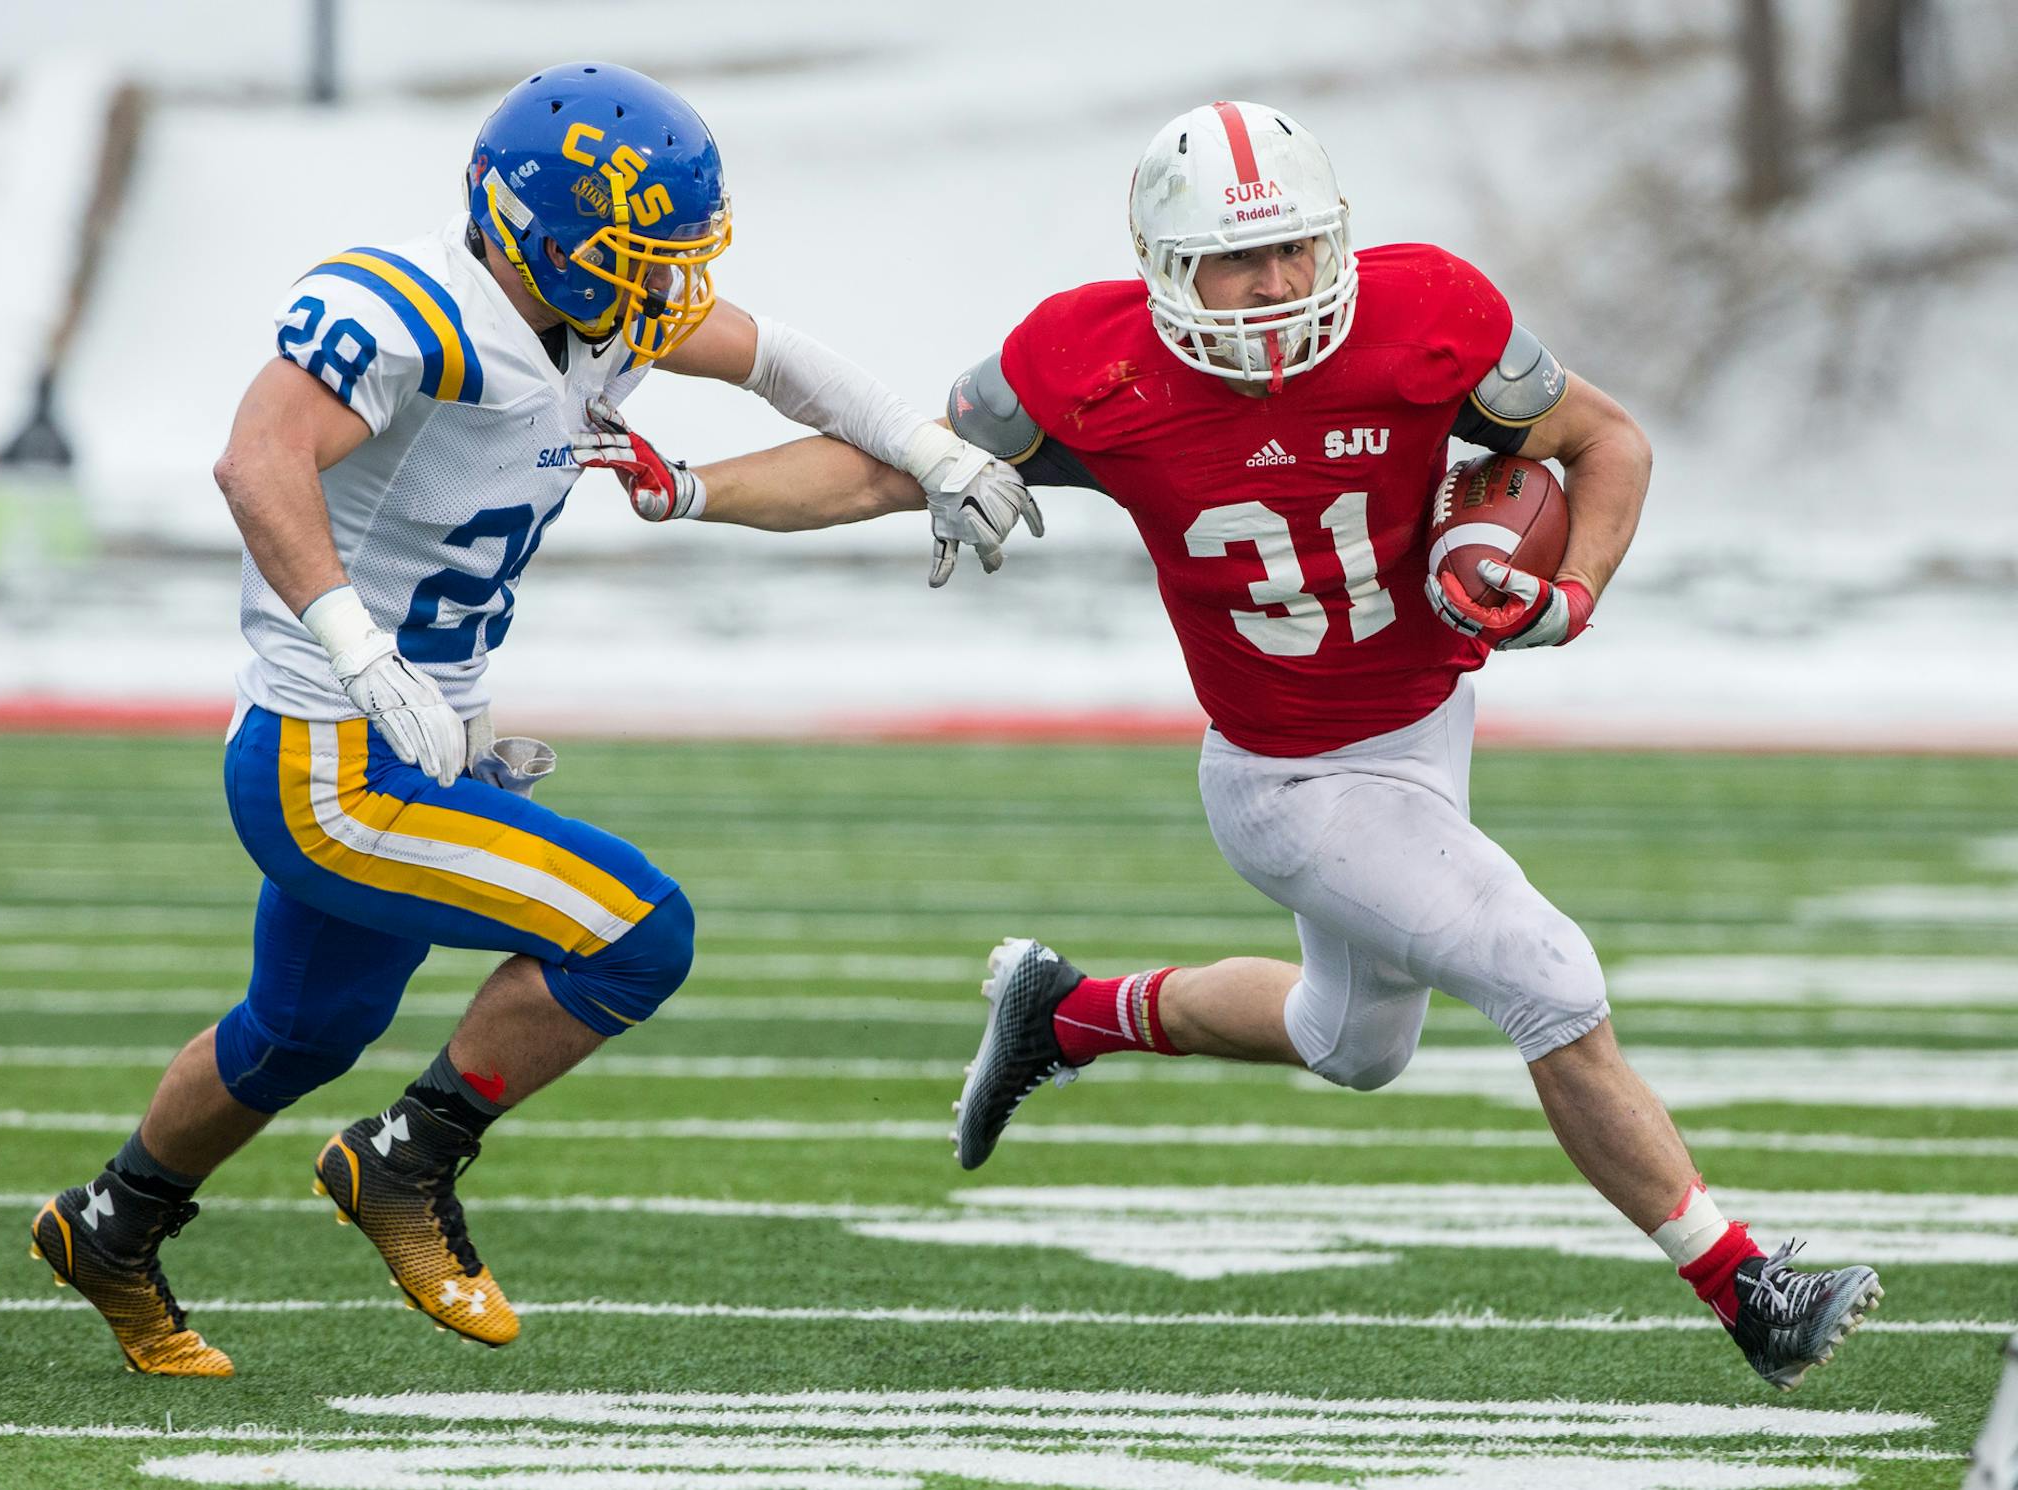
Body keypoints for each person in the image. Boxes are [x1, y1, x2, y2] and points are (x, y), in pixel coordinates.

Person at [614, 99, 1884, 1394]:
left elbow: (1607, 441)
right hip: (1290, 776)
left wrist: (1572, 591)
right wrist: (696, 489)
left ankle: (1068, 1012)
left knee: (1354, 1043)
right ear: (1166, 266)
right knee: (1543, 970)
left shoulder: (1427, 313)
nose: (1277, 286)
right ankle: (1748, 1285)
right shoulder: (1083, 365)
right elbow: (888, 464)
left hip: (1425, 729)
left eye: (1294, 249)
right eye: (1240, 258)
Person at [26, 60, 1039, 1377]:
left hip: (420, 734)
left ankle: (110, 1223)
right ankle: (404, 1162)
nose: (666, 284)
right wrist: (352, 640)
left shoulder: (600, 307)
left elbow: (779, 358)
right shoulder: (419, 310)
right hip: (325, 760)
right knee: (637, 930)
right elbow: (256, 454)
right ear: (535, 230)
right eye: (640, 252)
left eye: (674, 254)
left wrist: (930, 447)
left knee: (303, 1027)